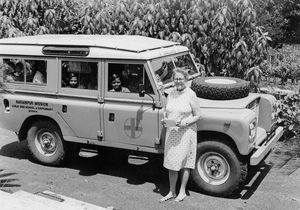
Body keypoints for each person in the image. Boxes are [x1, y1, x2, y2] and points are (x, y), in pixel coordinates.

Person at [160, 68, 201, 202]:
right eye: (176, 78)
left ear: (186, 79)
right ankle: (172, 191)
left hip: (186, 132)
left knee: (184, 163)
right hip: (172, 132)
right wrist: (164, 119)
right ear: (173, 80)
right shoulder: (170, 93)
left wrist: (185, 122)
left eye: (181, 79)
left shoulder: (191, 94)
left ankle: (182, 191)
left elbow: (198, 115)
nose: (178, 81)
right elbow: (167, 111)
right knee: (172, 162)